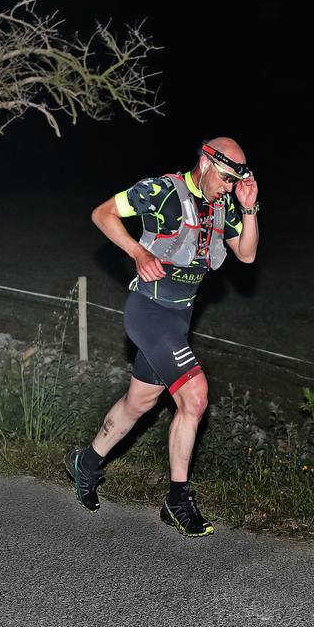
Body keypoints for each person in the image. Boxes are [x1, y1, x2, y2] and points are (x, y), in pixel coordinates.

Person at [67, 137, 260, 537]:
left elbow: (246, 254)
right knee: (195, 396)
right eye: (225, 178)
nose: (227, 186)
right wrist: (138, 252)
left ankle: (85, 463)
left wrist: (250, 206)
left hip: (179, 319)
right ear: (206, 163)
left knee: (141, 401)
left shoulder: (223, 205)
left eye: (233, 181)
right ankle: (177, 498)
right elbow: (102, 214)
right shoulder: (160, 190)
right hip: (148, 311)